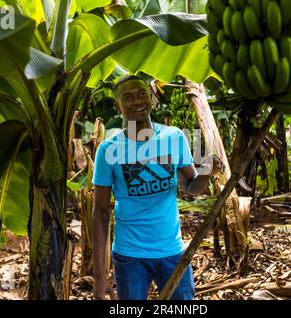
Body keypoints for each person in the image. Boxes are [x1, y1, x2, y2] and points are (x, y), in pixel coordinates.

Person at [92, 75, 224, 300]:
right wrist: (99, 275)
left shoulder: (174, 137)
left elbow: (191, 187)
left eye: (142, 93)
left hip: (171, 250)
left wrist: (207, 172)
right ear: (117, 106)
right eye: (128, 97)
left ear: (152, 98)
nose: (137, 101)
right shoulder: (108, 150)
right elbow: (100, 212)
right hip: (129, 255)